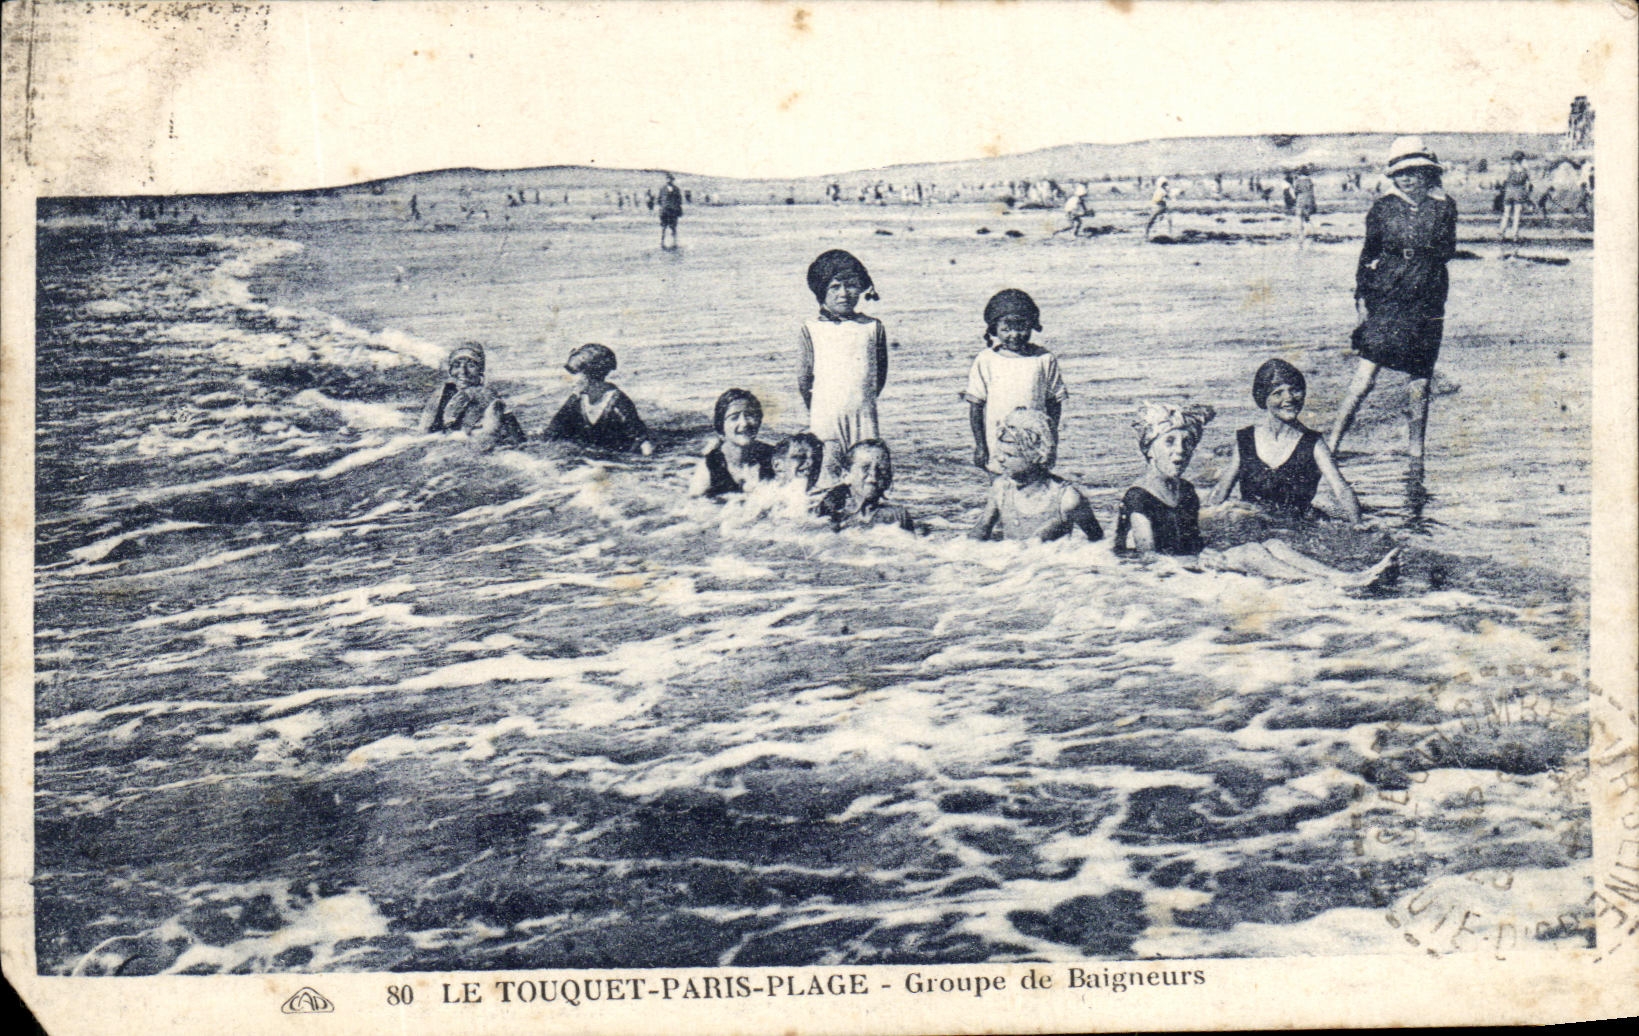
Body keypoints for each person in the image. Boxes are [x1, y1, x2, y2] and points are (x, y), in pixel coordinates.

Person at [1118, 403, 1399, 588]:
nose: (1180, 450)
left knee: (1274, 544)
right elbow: (1148, 559)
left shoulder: (1186, 491)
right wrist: (1205, 560)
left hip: (1191, 566)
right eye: (1169, 442)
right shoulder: (1139, 497)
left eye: (1187, 442)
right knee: (1250, 552)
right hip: (1169, 579)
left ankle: (1341, 577)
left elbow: (1192, 537)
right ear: (1149, 450)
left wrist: (1211, 549)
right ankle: (1341, 582)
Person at [1327, 136, 1458, 476]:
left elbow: (1447, 251)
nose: (1407, 178)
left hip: (1428, 294)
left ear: (1428, 174)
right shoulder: (1383, 208)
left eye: (1415, 171)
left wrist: (1425, 258)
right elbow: (1367, 254)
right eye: (1401, 172)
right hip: (1387, 292)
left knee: (1421, 378)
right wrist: (1361, 297)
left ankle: (1416, 453)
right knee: (1366, 373)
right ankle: (1331, 446)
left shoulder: (1445, 207)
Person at [1210, 359, 1361, 522]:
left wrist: (1357, 523)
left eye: (1295, 390)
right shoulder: (1245, 440)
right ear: (1263, 398)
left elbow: (1341, 490)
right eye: (1278, 393)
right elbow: (1220, 492)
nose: (1289, 398)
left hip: (1298, 527)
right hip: (1252, 526)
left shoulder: (1314, 443)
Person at [797, 250, 890, 484]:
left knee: (868, 472)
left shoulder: (872, 327)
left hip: (863, 415)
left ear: (861, 287)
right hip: (826, 417)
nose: (844, 293)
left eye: (851, 285)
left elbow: (879, 375)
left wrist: (861, 400)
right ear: (821, 291)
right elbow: (805, 380)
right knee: (827, 475)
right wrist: (821, 408)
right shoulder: (811, 328)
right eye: (835, 287)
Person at [962, 289, 1068, 475]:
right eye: (1006, 329)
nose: (1014, 334)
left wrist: (1051, 437)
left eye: (1021, 328)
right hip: (998, 443)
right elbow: (976, 406)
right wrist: (980, 446)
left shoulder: (1044, 359)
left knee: (1035, 486)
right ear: (994, 330)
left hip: (1035, 441)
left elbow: (1054, 402)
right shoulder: (986, 360)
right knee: (1000, 487)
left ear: (1032, 326)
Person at [969, 408, 1102, 543]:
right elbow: (978, 535)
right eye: (1000, 453)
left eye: (1010, 455)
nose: (1000, 459)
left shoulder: (1067, 499)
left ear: (1037, 455)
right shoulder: (1002, 489)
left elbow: (1098, 541)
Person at [543, 343, 654, 455]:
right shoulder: (577, 399)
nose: (568, 379)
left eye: (574, 374)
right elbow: (551, 433)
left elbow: (642, 440)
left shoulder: (618, 402)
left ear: (588, 375)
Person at [419, 342, 526, 447]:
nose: (463, 371)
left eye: (470, 366)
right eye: (457, 365)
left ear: (480, 370)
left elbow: (486, 442)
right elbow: (423, 433)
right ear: (450, 370)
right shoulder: (440, 396)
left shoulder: (491, 401)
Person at [689, 389, 775, 498]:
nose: (744, 423)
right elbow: (693, 507)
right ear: (721, 426)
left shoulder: (776, 457)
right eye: (734, 417)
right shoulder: (710, 467)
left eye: (750, 415)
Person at [814, 440, 915, 531]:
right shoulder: (832, 517)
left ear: (888, 479)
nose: (874, 473)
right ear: (846, 476)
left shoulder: (897, 516)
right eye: (865, 468)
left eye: (882, 469)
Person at [1499, 151, 1532, 257]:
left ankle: (1501, 233)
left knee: (1506, 214)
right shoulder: (1524, 171)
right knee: (1517, 215)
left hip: (1509, 192)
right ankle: (1515, 235)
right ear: (1522, 160)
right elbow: (1528, 184)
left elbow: (1506, 181)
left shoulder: (1510, 169)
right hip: (1519, 193)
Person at [1292, 165, 1317, 245]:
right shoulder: (1310, 181)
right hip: (1309, 199)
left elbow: (1295, 191)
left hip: (1301, 199)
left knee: (1300, 218)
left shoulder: (1297, 181)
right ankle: (1312, 233)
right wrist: (1313, 202)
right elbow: (1312, 192)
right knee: (1308, 217)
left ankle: (1301, 237)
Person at [658, 173, 684, 249]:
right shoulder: (662, 189)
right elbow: (659, 200)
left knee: (673, 227)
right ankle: (662, 242)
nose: (668, 180)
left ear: (672, 180)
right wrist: (662, 208)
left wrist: (679, 210)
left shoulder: (676, 189)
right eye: (667, 179)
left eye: (670, 179)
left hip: (673, 211)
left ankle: (674, 242)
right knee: (663, 227)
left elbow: (679, 200)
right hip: (664, 211)